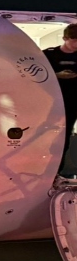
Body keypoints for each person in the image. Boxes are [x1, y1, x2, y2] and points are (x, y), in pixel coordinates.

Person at [44, 23, 77, 177]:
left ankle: (59, 171)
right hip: (56, 101)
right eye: (74, 41)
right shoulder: (49, 55)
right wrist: (57, 76)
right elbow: (36, 75)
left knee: (66, 135)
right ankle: (52, 171)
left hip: (74, 101)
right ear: (65, 38)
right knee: (54, 134)